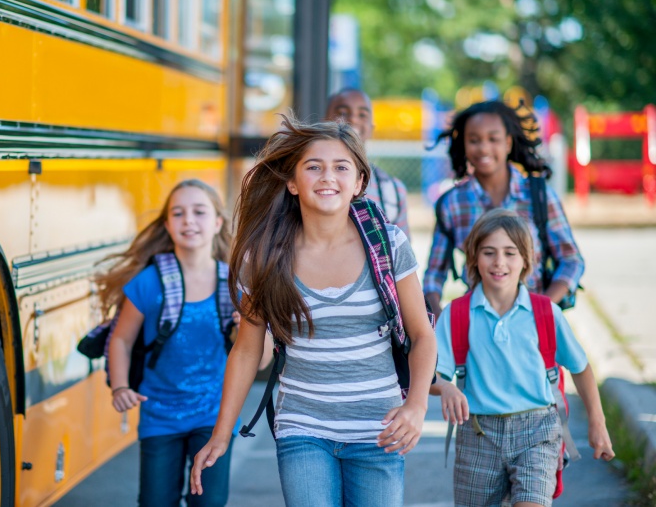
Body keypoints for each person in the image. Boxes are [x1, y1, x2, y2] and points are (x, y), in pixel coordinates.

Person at [189, 117, 437, 507]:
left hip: (379, 429)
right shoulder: (265, 256)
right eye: (314, 166)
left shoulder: (387, 244)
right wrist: (222, 434)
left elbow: (422, 335)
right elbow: (247, 350)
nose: (328, 176)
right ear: (292, 182)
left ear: (358, 182)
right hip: (303, 428)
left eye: (341, 167)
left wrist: (417, 407)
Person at [431, 209, 613, 506]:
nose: (499, 262)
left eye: (510, 253)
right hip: (478, 435)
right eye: (488, 252)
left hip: (538, 431)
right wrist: (446, 387)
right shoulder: (457, 314)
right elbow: (431, 375)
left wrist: (598, 421)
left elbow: (580, 367)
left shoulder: (545, 312)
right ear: (474, 258)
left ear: (526, 260)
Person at [104, 179, 255, 507]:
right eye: (178, 213)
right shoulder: (149, 282)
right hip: (159, 416)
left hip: (214, 417)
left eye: (199, 212)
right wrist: (119, 387)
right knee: (156, 502)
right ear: (168, 224)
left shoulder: (234, 285)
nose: (189, 220)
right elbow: (121, 340)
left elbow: (258, 359)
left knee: (208, 503)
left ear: (217, 223)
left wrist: (244, 330)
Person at [423, 100, 584, 318]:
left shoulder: (538, 195)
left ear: (508, 143)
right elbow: (434, 276)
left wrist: (541, 309)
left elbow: (571, 260)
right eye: (474, 140)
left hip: (534, 328)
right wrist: (441, 323)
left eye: (493, 139)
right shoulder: (451, 203)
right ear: (463, 145)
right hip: (477, 327)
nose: (484, 147)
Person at [325, 87, 411, 239]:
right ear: (324, 121)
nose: (354, 119)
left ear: (371, 128)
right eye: (343, 112)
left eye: (362, 114)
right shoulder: (307, 181)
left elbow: (402, 255)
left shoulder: (393, 191)